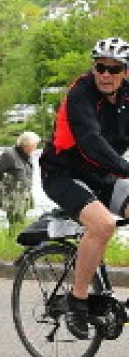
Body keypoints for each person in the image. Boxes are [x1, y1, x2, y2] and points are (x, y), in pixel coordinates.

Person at [39, 37, 129, 339]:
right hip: (64, 173)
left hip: (103, 175)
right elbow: (91, 144)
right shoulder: (81, 93)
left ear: (125, 72)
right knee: (103, 225)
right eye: (100, 67)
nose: (105, 74)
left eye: (113, 69)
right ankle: (78, 302)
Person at [0, 131, 40, 232]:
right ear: (26, 145)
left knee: (21, 222)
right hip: (12, 196)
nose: (36, 148)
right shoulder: (8, 154)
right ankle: (13, 240)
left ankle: (17, 241)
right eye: (34, 145)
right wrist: (1, 189)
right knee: (14, 222)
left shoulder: (27, 155)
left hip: (25, 194)